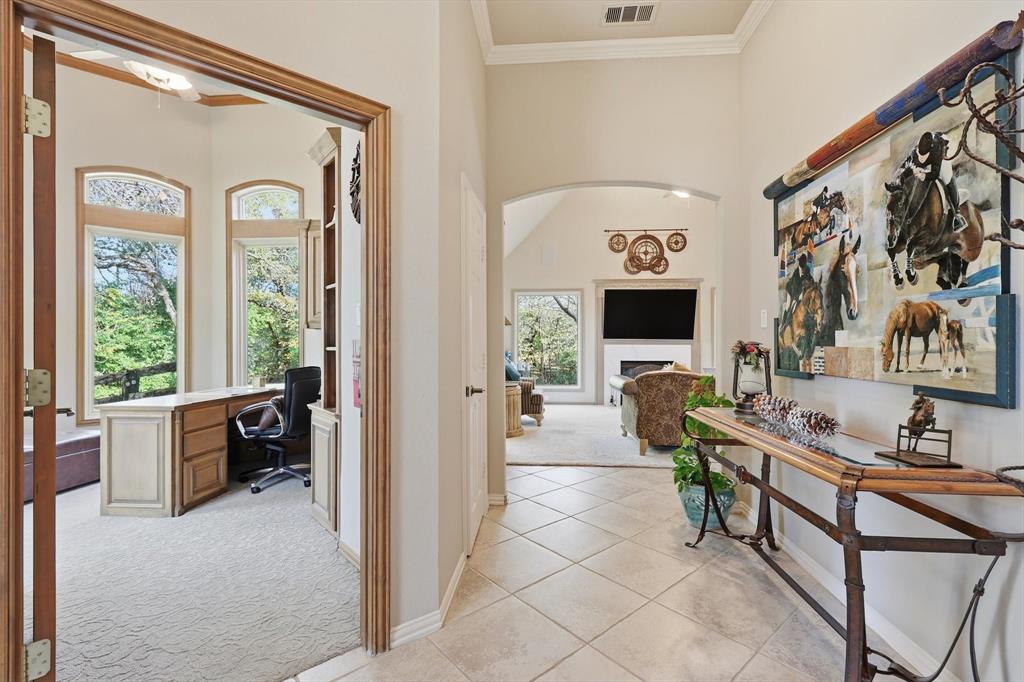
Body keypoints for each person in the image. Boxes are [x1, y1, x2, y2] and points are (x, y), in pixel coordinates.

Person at [894, 131, 966, 233]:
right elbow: (907, 164)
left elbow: (935, 174)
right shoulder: (916, 152)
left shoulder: (937, 151)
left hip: (943, 150)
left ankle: (957, 214)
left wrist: (924, 175)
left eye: (924, 156)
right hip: (930, 147)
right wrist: (900, 175)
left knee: (946, 177)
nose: (921, 159)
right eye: (920, 155)